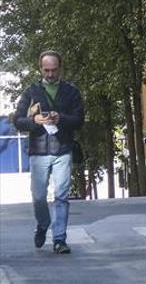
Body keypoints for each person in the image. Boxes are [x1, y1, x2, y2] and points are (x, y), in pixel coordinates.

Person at [12, 50, 84, 254]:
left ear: (60, 68)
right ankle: (43, 224)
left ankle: (59, 239)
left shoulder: (71, 91)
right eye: (46, 70)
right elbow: (17, 121)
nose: (50, 74)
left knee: (61, 196)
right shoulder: (31, 92)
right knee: (38, 196)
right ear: (40, 68)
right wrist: (34, 121)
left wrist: (61, 118)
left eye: (54, 70)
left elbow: (80, 120)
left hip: (62, 149)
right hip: (39, 150)